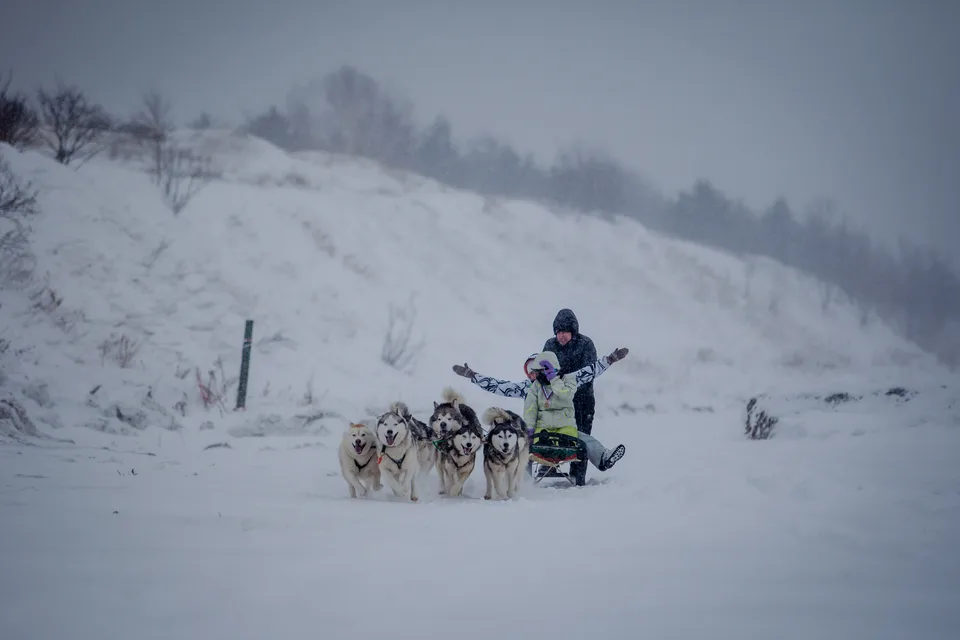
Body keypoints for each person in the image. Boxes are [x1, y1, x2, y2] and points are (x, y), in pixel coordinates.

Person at [452, 347, 628, 474]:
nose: (533, 374)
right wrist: (474, 376)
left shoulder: (564, 380)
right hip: (539, 431)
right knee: (517, 441)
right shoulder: (528, 387)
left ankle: (604, 457)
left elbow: (587, 373)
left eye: (535, 369)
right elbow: (499, 386)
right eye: (529, 370)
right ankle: (517, 476)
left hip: (564, 429)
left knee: (584, 439)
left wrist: (609, 360)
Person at [543, 309, 598, 481]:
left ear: (573, 331)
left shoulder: (586, 344)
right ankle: (549, 466)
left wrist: (565, 381)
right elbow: (543, 369)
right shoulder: (550, 345)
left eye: (565, 332)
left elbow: (589, 374)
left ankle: (577, 475)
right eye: (558, 332)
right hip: (558, 401)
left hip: (582, 400)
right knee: (552, 433)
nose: (561, 336)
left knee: (580, 437)